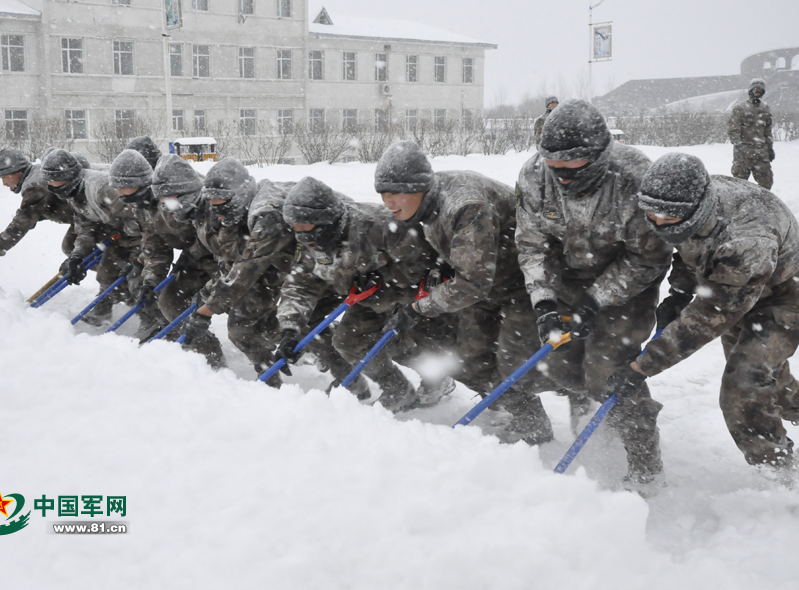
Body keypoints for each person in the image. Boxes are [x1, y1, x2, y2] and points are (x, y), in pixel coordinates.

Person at [515, 99, 673, 482]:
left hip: (626, 284)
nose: (563, 179)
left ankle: (644, 464)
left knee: (610, 369)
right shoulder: (535, 175)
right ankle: (590, 415)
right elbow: (531, 244)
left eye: (574, 169)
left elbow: (649, 258)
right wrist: (545, 303)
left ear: (600, 156)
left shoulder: (636, 178)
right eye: (556, 169)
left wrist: (596, 299)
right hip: (565, 278)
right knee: (559, 361)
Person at [614, 153, 799, 468]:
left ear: (697, 210)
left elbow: (709, 317)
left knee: (743, 390)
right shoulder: (682, 203)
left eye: (668, 219)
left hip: (784, 295)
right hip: (734, 285)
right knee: (768, 381)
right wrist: (682, 291)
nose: (659, 225)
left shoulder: (747, 238)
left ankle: (778, 473)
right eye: (651, 216)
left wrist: (643, 366)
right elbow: (694, 247)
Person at [374, 141, 553, 443]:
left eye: (395, 193)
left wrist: (418, 309)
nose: (388, 202)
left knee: (518, 365)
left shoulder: (466, 206)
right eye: (383, 193)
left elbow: (473, 282)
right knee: (469, 359)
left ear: (419, 187)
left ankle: (557, 406)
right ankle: (524, 417)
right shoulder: (422, 203)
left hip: (523, 283)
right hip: (485, 284)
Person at [277, 176, 454, 412]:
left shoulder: (378, 225)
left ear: (325, 221)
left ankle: (436, 375)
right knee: (348, 341)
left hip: (409, 294)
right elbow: (299, 284)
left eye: (305, 228)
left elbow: (423, 263)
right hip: (366, 297)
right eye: (295, 229)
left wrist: (386, 278)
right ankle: (397, 390)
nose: (300, 235)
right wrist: (290, 329)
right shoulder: (310, 240)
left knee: (395, 339)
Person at [182, 159, 347, 388]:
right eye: (213, 206)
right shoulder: (240, 212)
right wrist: (211, 293)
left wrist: (206, 311)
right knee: (248, 326)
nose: (217, 213)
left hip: (332, 262)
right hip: (292, 264)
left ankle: (354, 384)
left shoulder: (266, 214)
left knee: (308, 324)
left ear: (239, 195)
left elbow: (248, 267)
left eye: (222, 206)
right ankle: (273, 377)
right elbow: (237, 262)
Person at [41, 148, 142, 326]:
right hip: (120, 234)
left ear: (68, 176)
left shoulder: (101, 188)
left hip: (143, 236)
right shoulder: (72, 192)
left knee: (135, 278)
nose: (50, 185)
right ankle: (104, 310)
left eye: (53, 179)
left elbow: (139, 217)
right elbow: (85, 228)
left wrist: (129, 238)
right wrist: (77, 255)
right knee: (107, 274)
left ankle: (152, 319)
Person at [146, 155, 225, 369]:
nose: (167, 206)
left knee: (247, 319)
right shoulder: (166, 207)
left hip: (234, 268)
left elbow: (234, 258)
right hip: (199, 262)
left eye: (171, 198)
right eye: (163, 200)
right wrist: (153, 275)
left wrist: (213, 291)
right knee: (170, 299)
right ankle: (210, 357)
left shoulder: (217, 207)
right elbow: (156, 239)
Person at [106, 149, 188, 341]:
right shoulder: (141, 207)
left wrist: (190, 261)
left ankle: (204, 356)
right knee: (143, 284)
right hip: (189, 254)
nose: (119, 193)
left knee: (172, 299)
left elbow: (197, 235)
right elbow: (154, 245)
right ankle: (162, 329)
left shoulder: (170, 201)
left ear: (139, 184)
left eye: (123, 187)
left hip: (207, 256)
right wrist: (152, 277)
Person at [0, 148, 75, 270]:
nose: (4, 183)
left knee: (72, 247)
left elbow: (21, 224)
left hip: (92, 217)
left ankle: (106, 280)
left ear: (17, 172)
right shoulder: (37, 175)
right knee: (72, 247)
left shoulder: (35, 187)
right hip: (86, 217)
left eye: (4, 177)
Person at [728, 78, 775, 189]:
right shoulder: (740, 108)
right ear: (750, 91)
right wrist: (739, 145)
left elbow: (768, 131)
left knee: (766, 184)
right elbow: (733, 129)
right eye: (755, 89)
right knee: (739, 185)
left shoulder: (765, 109)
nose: (758, 92)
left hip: (761, 154)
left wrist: (770, 148)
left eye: (760, 90)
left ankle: (762, 205)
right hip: (743, 154)